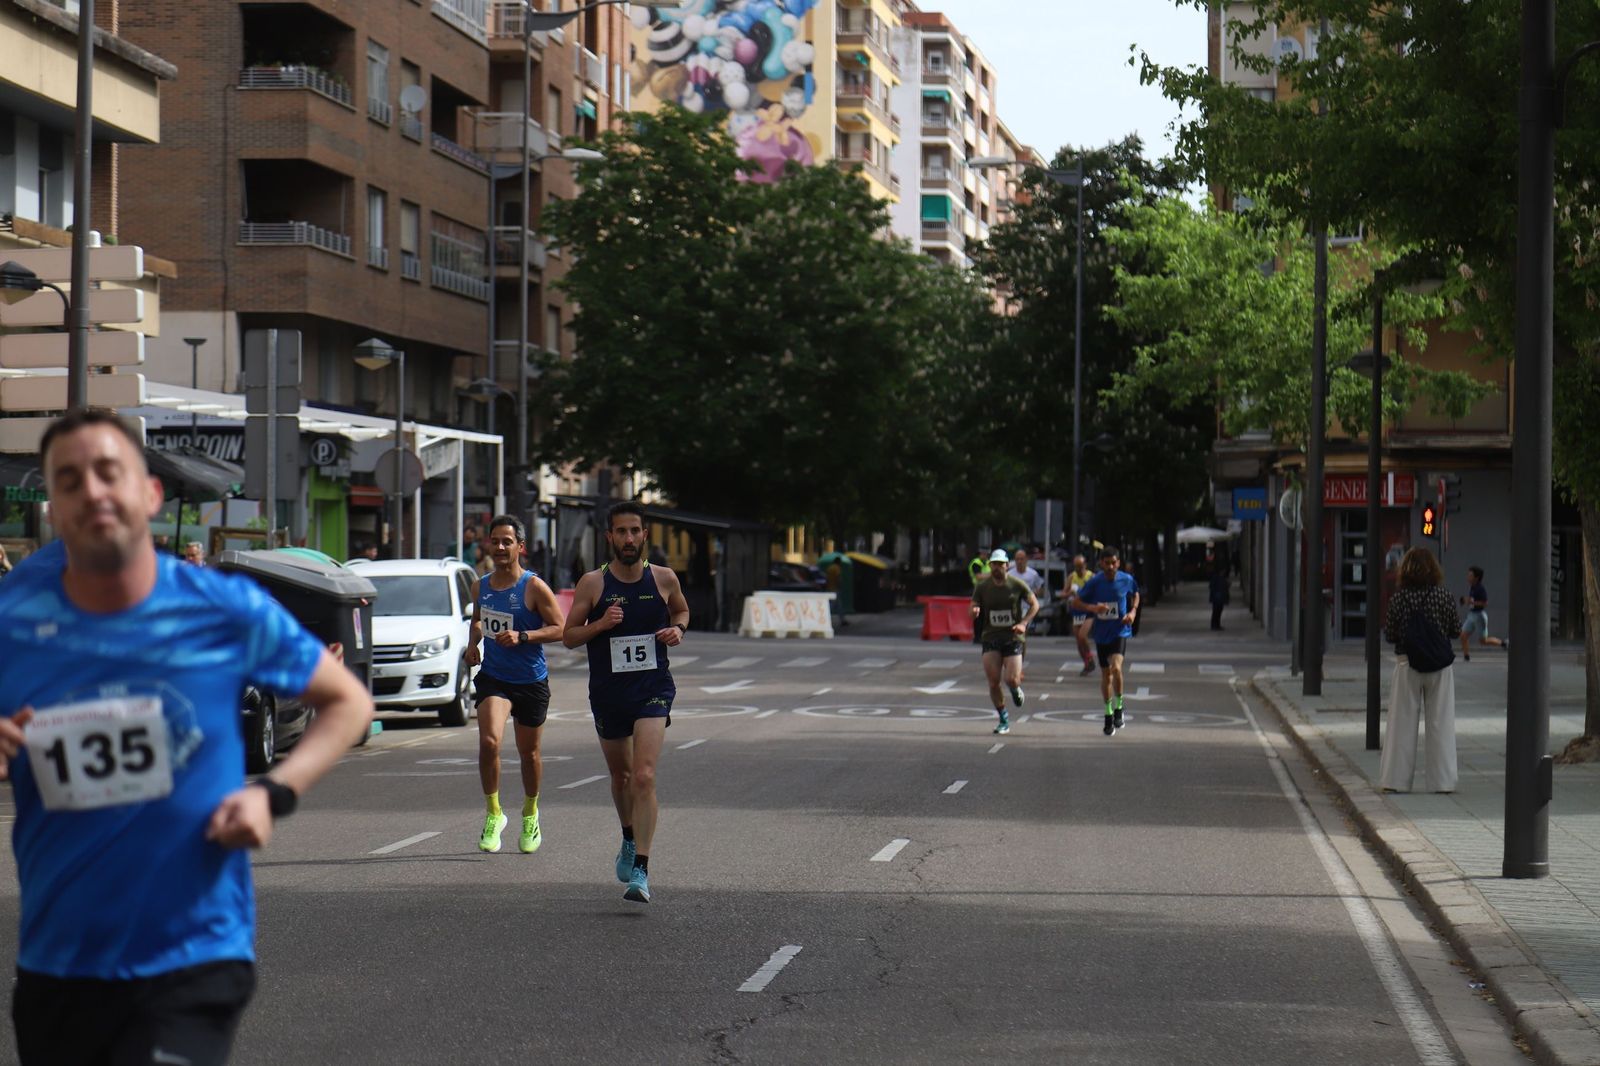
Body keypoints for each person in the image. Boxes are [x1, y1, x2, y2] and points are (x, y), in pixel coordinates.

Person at [0, 408, 373, 1066]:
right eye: (70, 481)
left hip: (192, 956)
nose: (92, 492)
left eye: (109, 472)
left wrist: (273, 794)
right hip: (58, 964)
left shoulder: (223, 608)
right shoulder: (13, 624)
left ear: (150, 493)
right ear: (52, 509)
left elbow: (347, 700)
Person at [563, 502, 689, 904]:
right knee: (621, 777)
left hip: (653, 687)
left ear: (645, 535)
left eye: (635, 531)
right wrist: (601, 624)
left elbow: (682, 609)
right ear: (610, 537)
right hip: (609, 693)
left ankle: (642, 870)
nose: (629, 538)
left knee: (644, 775)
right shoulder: (593, 584)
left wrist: (678, 628)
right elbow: (569, 636)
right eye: (622, 532)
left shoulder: (664, 578)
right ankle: (629, 837)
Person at [464, 515, 565, 855]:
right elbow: (478, 620)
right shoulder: (481, 586)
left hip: (530, 680)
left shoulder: (533, 587)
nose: (500, 547)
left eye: (507, 541)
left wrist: (524, 636)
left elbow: (560, 628)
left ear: (520, 546)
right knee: (489, 741)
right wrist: (472, 645)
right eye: (495, 541)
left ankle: (530, 812)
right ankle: (494, 813)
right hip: (494, 677)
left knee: (529, 753)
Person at [1380, 547, 1462, 793]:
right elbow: (1455, 630)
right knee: (1441, 723)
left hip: (1407, 664)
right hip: (1440, 666)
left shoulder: (1399, 598)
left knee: (1401, 723)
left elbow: (1390, 634)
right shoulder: (1443, 596)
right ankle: (1443, 782)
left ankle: (1396, 781)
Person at [1070, 546, 1141, 736]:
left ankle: (1119, 708)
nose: (1110, 567)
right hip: (1101, 634)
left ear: (1118, 563)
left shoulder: (1126, 579)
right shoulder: (1095, 582)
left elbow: (1136, 594)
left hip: (1120, 631)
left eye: (1113, 563)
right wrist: (1094, 608)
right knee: (1106, 675)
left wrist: (1132, 612)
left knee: (1116, 668)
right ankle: (1108, 713)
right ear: (1101, 564)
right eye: (1107, 563)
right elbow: (1076, 602)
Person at [969, 549, 1039, 735]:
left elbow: (1035, 604)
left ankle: (1015, 689)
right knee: (993, 682)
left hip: (1013, 637)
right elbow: (972, 607)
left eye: (1000, 564)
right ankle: (1003, 718)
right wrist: (974, 611)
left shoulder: (1016, 584)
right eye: (994, 564)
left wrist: (1023, 623)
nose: (997, 568)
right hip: (991, 637)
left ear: (1007, 565)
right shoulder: (982, 586)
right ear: (990, 565)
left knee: (1011, 679)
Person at [1458, 565, 1506, 660]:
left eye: (1470, 575)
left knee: (1483, 641)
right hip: (1471, 615)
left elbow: (1484, 603)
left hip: (1479, 616)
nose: (1468, 577)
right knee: (1463, 635)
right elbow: (1472, 600)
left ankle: (1503, 643)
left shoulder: (1480, 589)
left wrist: (1471, 602)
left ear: (1476, 578)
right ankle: (1466, 656)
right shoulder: (1472, 587)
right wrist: (1466, 600)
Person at [1067, 554, 1097, 677]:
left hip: (1088, 610)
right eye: (1076, 567)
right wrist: (1070, 593)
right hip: (1076, 611)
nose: (1078, 569)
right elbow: (1064, 593)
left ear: (1085, 565)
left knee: (1082, 635)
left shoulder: (1091, 577)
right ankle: (1087, 664)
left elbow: (1097, 592)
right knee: (1078, 641)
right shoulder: (1072, 577)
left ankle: (1090, 657)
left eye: (1080, 566)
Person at [1208, 562, 1230, 630]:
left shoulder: (1221, 577)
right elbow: (1212, 586)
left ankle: (1217, 625)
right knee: (1216, 611)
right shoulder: (1216, 577)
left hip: (1220, 597)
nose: (1224, 572)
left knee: (1219, 611)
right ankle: (1214, 625)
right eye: (1223, 570)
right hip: (1217, 597)